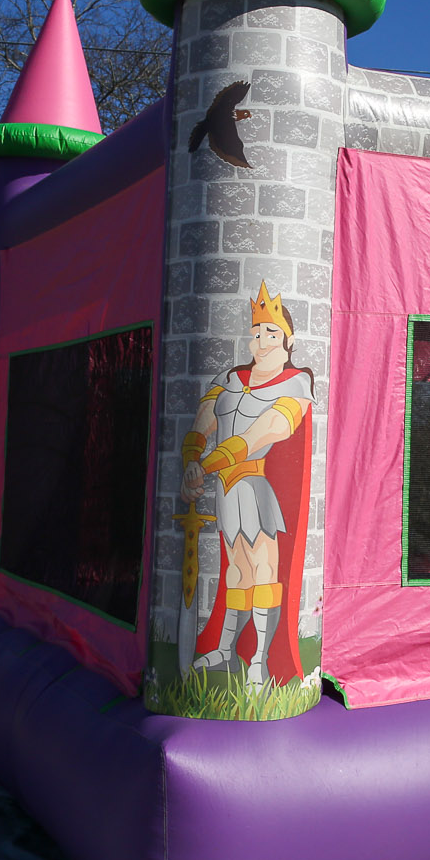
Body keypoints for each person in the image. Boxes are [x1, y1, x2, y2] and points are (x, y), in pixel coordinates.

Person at [180, 281, 314, 686]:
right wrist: (190, 460)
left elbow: (267, 431)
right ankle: (223, 650)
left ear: (287, 340)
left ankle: (257, 660)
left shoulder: (297, 383)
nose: (262, 339)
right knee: (236, 572)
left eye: (271, 332)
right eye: (256, 332)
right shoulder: (230, 378)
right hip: (223, 489)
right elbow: (204, 420)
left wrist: (209, 464)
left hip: (253, 486)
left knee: (263, 569)